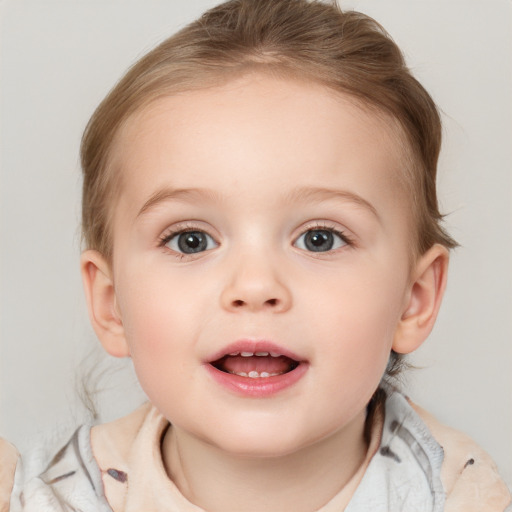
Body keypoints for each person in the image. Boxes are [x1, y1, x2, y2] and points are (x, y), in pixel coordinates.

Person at [1, 0, 510, 510]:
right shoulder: (38, 497)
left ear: (413, 300)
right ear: (112, 303)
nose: (254, 286)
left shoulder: (462, 497)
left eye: (320, 238)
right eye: (191, 240)